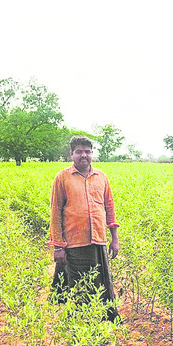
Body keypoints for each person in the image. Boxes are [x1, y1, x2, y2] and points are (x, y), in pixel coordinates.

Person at [47, 135, 120, 322]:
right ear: (71, 154)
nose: (83, 155)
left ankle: (104, 319)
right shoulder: (62, 177)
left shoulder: (101, 177)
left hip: (98, 240)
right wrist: (58, 246)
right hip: (74, 242)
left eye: (87, 151)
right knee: (80, 285)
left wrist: (115, 239)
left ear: (92, 154)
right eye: (79, 151)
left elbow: (109, 207)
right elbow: (55, 212)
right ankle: (83, 324)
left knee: (101, 282)